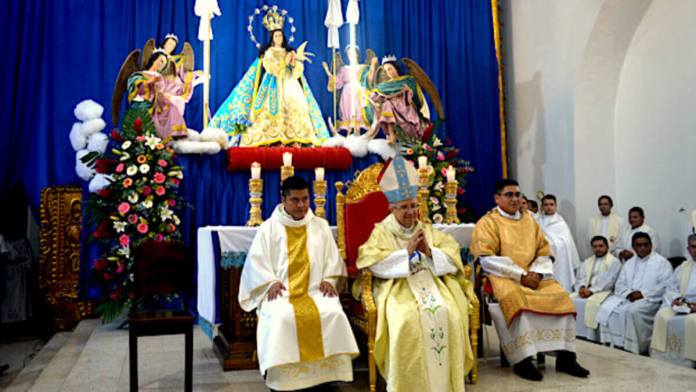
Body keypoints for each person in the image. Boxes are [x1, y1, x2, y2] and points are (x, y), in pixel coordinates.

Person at [356, 154, 474, 392]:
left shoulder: (426, 229)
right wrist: (406, 253)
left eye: (413, 206)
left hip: (430, 282)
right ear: (392, 207)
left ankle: (445, 383)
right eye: (404, 207)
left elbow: (452, 255)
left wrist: (429, 252)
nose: (410, 213)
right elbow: (370, 261)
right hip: (398, 287)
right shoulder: (382, 231)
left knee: (450, 313)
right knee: (404, 321)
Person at [238, 176, 359, 390]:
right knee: (282, 317)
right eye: (295, 200)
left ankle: (326, 376)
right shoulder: (269, 228)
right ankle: (283, 379)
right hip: (282, 292)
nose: (302, 205)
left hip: (315, 291)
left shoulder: (320, 226)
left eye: (305, 199)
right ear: (283, 200)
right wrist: (269, 282)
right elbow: (256, 264)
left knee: (333, 313)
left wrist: (330, 278)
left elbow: (333, 259)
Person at [471, 179, 589, 381]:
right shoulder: (488, 223)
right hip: (504, 276)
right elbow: (486, 258)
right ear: (497, 198)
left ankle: (566, 357)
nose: (515, 199)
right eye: (509, 195)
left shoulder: (530, 221)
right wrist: (521, 275)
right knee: (518, 301)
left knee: (562, 297)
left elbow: (544, 250)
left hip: (534, 274)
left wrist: (537, 272)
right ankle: (522, 359)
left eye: (517, 194)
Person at [209, 10, 330, 146]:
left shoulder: (289, 52)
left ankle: (296, 138)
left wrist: (294, 63)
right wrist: (285, 62)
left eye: (280, 35)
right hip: (272, 84)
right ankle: (269, 137)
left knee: (296, 105)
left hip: (289, 82)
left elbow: (297, 73)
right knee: (267, 110)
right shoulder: (268, 53)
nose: (278, 38)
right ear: (272, 38)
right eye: (276, 36)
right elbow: (272, 68)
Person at [596, 232, 672, 354]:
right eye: (639, 245)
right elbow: (620, 284)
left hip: (651, 300)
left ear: (651, 245)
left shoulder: (662, 263)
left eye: (645, 245)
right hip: (628, 297)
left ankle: (636, 347)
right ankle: (616, 343)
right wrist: (628, 294)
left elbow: (665, 285)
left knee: (632, 311)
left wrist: (643, 294)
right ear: (633, 247)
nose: (642, 248)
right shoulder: (629, 263)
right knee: (606, 307)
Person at [127, 49, 203, 139]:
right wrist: (150, 82)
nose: (161, 64)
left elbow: (177, 89)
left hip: (161, 103)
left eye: (164, 63)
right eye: (161, 60)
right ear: (154, 59)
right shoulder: (141, 74)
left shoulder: (162, 77)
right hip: (146, 103)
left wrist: (195, 79)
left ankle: (172, 137)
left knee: (172, 108)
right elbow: (135, 86)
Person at [650, 234, 696, 366]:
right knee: (661, 316)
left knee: (691, 321)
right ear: (688, 249)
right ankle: (664, 359)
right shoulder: (683, 267)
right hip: (684, 305)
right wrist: (676, 299)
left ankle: (689, 361)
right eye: (693, 247)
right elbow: (671, 287)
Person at [367, 56, 430, 144]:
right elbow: (374, 95)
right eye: (386, 71)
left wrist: (408, 91)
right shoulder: (385, 85)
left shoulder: (408, 80)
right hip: (393, 111)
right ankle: (392, 134)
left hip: (406, 108)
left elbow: (416, 97)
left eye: (390, 69)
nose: (388, 72)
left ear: (396, 68)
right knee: (386, 105)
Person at [571, 236, 622, 340]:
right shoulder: (587, 261)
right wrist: (581, 288)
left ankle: (591, 336)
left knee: (592, 304)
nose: (598, 249)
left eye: (601, 246)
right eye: (595, 246)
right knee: (569, 300)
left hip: (604, 292)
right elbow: (580, 277)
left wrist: (591, 291)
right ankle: (574, 332)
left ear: (607, 247)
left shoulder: (614, 262)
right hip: (586, 291)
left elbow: (609, 282)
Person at [322, 45, 377, 133]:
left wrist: (373, 65)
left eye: (352, 52)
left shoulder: (363, 67)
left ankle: (358, 130)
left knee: (358, 110)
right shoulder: (344, 69)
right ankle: (349, 131)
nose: (350, 55)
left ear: (357, 54)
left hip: (359, 93)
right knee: (348, 112)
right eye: (348, 53)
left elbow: (369, 80)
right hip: (347, 93)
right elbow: (337, 84)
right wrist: (330, 76)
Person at [537, 194, 581, 292]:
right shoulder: (537, 221)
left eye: (551, 204)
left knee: (560, 281)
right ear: (542, 206)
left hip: (560, 259)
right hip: (542, 256)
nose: (549, 207)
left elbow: (566, 242)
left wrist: (551, 243)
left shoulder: (561, 223)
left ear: (556, 206)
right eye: (546, 205)